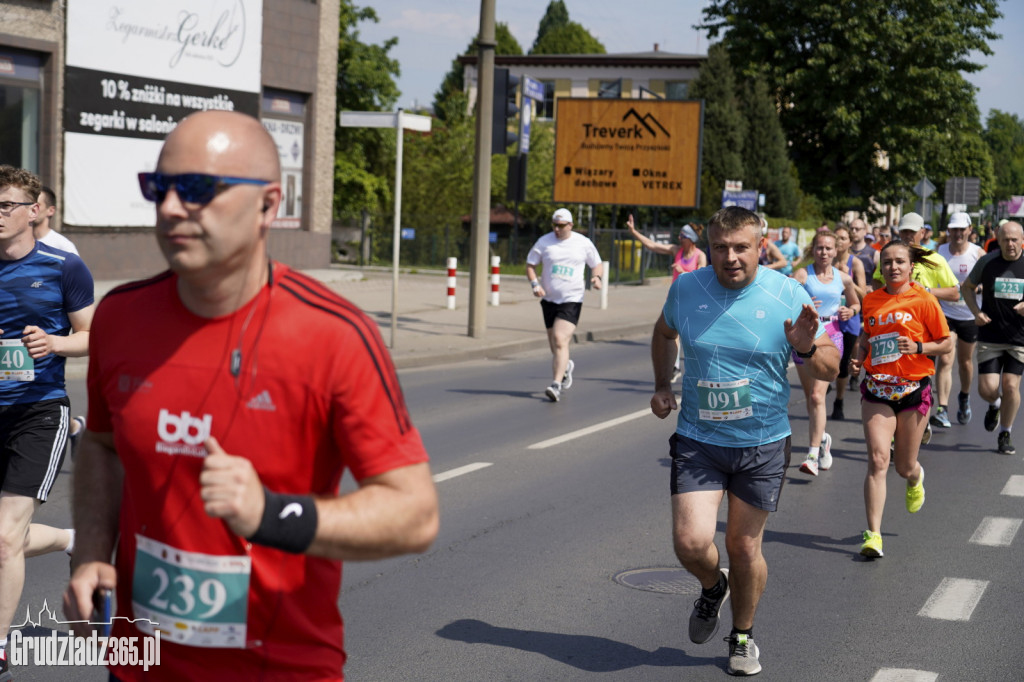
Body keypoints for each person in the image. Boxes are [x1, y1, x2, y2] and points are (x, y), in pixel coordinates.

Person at [63, 111, 440, 681]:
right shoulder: (119, 319)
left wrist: (271, 514)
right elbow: (102, 445)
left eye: (195, 190)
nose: (169, 208)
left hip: (280, 668)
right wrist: (93, 550)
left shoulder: (335, 335)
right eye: (158, 187)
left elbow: (415, 515)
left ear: (269, 205)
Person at [649, 206, 838, 676]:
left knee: (743, 546)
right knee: (691, 543)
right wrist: (661, 384)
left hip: (762, 442)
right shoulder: (686, 288)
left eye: (740, 248)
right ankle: (714, 588)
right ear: (708, 246)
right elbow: (663, 332)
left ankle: (742, 636)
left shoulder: (788, 293)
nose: (730, 257)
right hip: (698, 437)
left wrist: (805, 346)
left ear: (760, 247)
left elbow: (830, 369)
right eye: (720, 248)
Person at [0, 165, 94, 678]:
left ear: (34, 211)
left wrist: (55, 342)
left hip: (38, 410)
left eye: (5, 205)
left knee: (4, 537)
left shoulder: (64, 267)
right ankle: (67, 539)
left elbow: (94, 337)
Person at [850, 241, 951, 558]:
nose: (893, 267)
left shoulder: (924, 300)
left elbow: (945, 343)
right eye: (887, 262)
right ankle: (873, 535)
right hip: (877, 388)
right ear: (881, 267)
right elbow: (866, 337)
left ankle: (915, 476)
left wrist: (919, 349)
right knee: (878, 460)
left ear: (910, 267)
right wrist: (858, 357)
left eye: (899, 262)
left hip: (912, 388)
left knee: (903, 466)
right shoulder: (871, 300)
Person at [792, 230, 860, 474]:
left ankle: (811, 455)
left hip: (830, 333)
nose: (824, 253)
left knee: (817, 397)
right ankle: (822, 439)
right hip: (805, 333)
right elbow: (786, 299)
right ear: (814, 249)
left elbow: (855, 303)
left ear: (835, 251)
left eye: (829, 248)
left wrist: (850, 311)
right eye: (820, 248)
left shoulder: (843, 278)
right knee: (811, 397)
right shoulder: (802, 274)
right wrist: (802, 301)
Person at [526, 208, 604, 402]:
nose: (557, 229)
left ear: (570, 225)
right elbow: (530, 265)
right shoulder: (545, 242)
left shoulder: (583, 243)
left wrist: (596, 277)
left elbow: (597, 263)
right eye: (554, 225)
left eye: (561, 226)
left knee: (561, 339)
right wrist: (535, 284)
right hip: (549, 299)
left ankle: (556, 384)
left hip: (572, 298)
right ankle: (565, 366)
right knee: (555, 344)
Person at [31, 186, 86, 451]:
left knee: (40, 397)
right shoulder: (15, 246)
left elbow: (77, 297)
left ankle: (70, 426)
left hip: (49, 337)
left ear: (49, 210)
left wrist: (57, 338)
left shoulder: (63, 248)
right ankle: (74, 427)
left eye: (37, 203)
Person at [962, 220, 1024, 455]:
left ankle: (1005, 433)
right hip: (990, 334)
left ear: (1021, 241)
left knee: (1010, 386)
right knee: (987, 389)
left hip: (1019, 337)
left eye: (1014, 239)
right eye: (1006, 239)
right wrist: (976, 313)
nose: (1010, 244)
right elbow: (967, 287)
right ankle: (994, 405)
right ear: (998, 240)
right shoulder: (987, 261)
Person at [930, 212, 986, 429]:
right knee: (945, 359)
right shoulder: (940, 252)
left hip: (970, 314)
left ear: (969, 230)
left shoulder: (977, 254)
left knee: (965, 363)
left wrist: (975, 289)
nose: (957, 233)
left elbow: (987, 281)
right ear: (949, 231)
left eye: (961, 229)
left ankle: (964, 396)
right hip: (946, 313)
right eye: (954, 229)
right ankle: (943, 409)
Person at [829, 225, 867, 418]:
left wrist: (847, 278)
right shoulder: (826, 260)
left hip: (849, 317)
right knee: (826, 356)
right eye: (837, 238)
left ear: (850, 243)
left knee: (843, 362)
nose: (839, 241)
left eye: (843, 238)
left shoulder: (856, 263)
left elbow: (864, 294)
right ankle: (825, 381)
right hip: (829, 317)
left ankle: (839, 401)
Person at [625, 215, 706, 280]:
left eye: (682, 236)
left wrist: (683, 273)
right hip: (674, 298)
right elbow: (651, 245)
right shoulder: (676, 250)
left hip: (690, 299)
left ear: (691, 239)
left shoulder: (700, 256)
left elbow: (699, 280)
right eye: (679, 235)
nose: (679, 238)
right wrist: (633, 232)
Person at [31, 186, 79, 256]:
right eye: (29, 204)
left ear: (51, 211)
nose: (32, 209)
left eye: (37, 205)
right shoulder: (17, 243)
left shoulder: (63, 247)